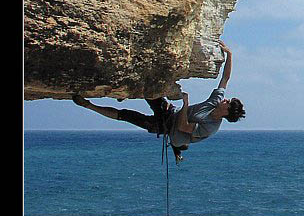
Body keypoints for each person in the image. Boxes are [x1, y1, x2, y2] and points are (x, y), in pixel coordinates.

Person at [72, 39, 245, 163]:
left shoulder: (211, 127)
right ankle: (123, 91)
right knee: (149, 90)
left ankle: (89, 105)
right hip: (170, 112)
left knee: (125, 115)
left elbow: (183, 127)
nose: (226, 100)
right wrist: (230, 54)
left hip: (166, 127)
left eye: (228, 103)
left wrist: (185, 104)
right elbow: (225, 78)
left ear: (226, 111)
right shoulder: (216, 101)